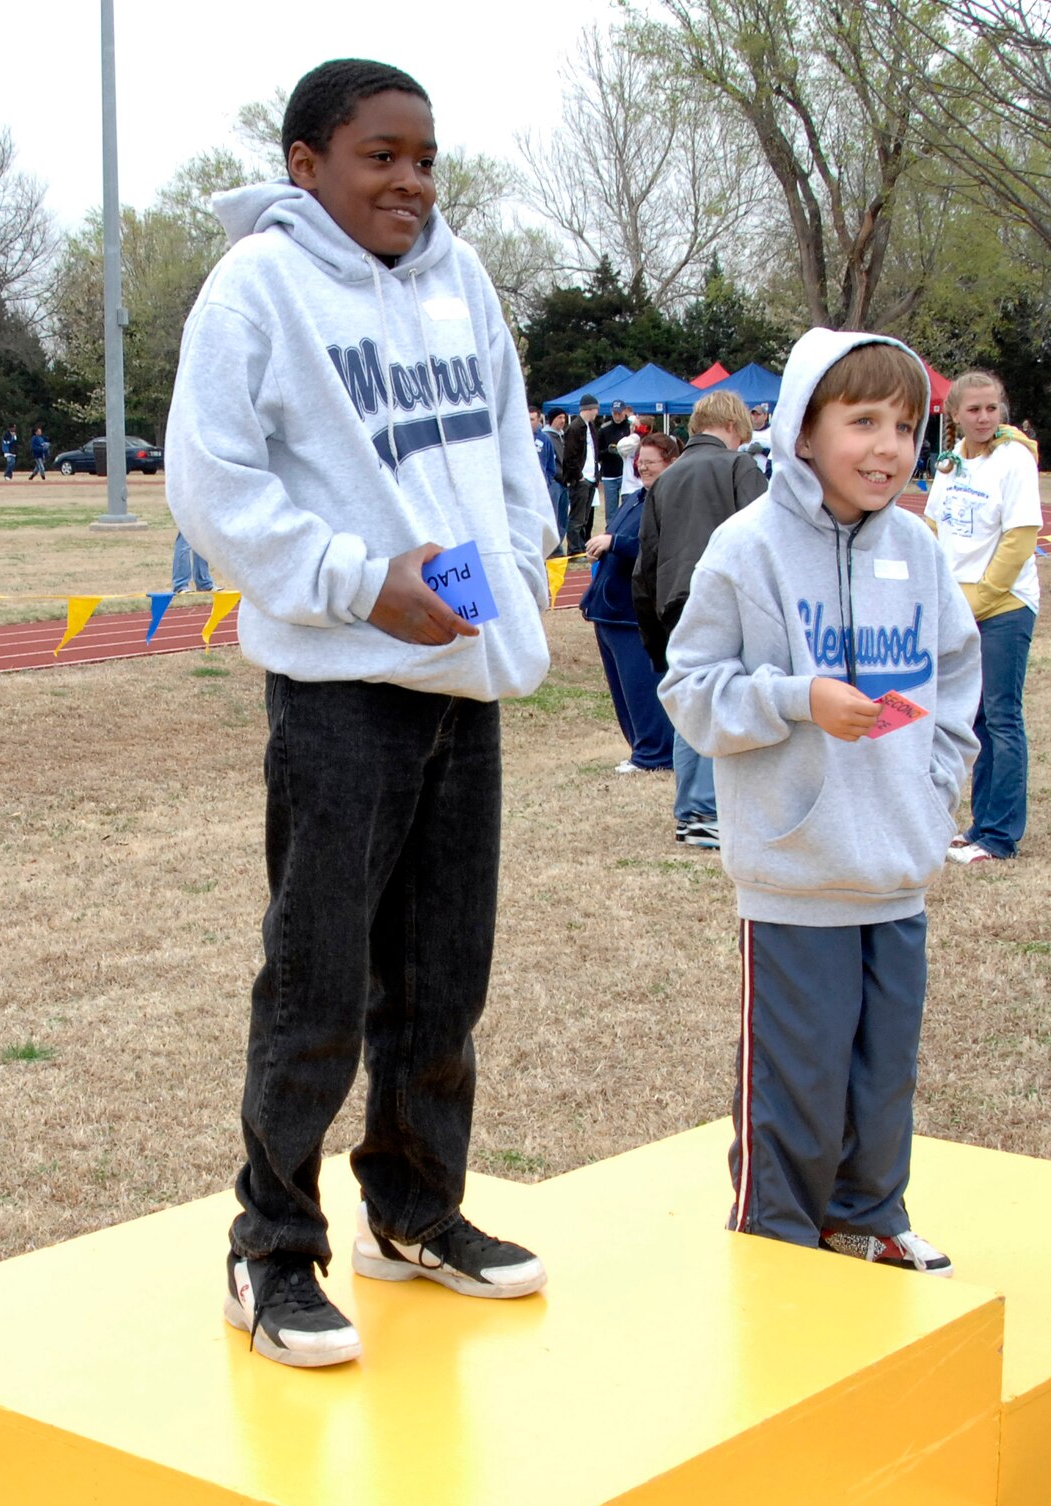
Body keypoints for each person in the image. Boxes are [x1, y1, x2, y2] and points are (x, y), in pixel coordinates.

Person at [167, 56, 558, 1370]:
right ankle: (269, 1252)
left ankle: (414, 1210)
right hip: (341, 688)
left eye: (423, 157)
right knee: (319, 979)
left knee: (443, 975)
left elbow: (508, 438)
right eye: (378, 154)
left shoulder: (463, 278)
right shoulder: (257, 289)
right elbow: (213, 486)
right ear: (304, 163)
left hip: (464, 679)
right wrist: (355, 584)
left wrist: (520, 555)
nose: (408, 180)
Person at [658, 329, 979, 1273]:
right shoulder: (745, 548)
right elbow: (689, 690)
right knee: (797, 1080)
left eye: (907, 425)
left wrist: (934, 787)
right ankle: (781, 1241)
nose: (888, 446)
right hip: (795, 876)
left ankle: (867, 1217)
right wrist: (796, 699)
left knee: (882, 1077)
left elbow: (955, 680)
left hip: (898, 867)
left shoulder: (915, 549)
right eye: (863, 421)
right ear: (802, 432)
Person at [633, 389, 766, 848]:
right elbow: (764, 533)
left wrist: (652, 632)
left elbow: (646, 561)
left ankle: (693, 810)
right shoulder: (739, 466)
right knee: (724, 697)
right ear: (735, 426)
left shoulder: (665, 481)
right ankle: (709, 809)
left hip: (672, 599)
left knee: (692, 701)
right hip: (726, 593)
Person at [925, 369, 1041, 865]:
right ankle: (978, 823)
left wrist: (982, 599)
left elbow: (1019, 538)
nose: (984, 418)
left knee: (1001, 716)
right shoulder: (952, 464)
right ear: (954, 414)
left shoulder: (1014, 460)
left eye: (992, 408)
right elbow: (933, 525)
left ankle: (999, 833)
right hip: (958, 606)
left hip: (1004, 607)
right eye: (973, 409)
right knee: (972, 720)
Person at [583, 430, 678, 774]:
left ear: (672, 463)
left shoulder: (670, 502)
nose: (644, 468)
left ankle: (654, 753)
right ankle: (640, 748)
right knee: (623, 691)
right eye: (641, 462)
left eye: (651, 462)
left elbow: (658, 551)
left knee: (641, 687)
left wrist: (616, 543)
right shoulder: (635, 499)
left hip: (633, 613)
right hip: (608, 610)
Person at [563, 393, 599, 554]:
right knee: (577, 518)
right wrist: (578, 476)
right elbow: (570, 455)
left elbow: (593, 452)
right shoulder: (576, 427)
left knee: (585, 518)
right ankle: (574, 550)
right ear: (589, 409)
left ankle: (582, 547)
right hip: (582, 478)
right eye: (595, 409)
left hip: (591, 477)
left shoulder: (590, 427)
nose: (597, 413)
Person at [530, 406, 564, 554]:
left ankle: (551, 551)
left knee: (550, 520)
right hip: (526, 489)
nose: (528, 422)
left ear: (539, 420)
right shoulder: (518, 438)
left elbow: (550, 465)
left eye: (532, 419)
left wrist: (547, 482)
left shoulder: (545, 439)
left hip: (543, 489)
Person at [595, 399, 632, 527]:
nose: (617, 416)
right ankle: (610, 533)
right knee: (611, 511)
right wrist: (608, 451)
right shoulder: (604, 429)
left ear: (624, 412)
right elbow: (597, 453)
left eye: (619, 413)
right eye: (614, 413)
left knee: (627, 507)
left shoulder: (630, 427)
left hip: (626, 474)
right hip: (609, 474)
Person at [546, 409, 571, 548]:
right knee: (553, 516)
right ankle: (553, 548)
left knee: (563, 518)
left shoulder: (563, 436)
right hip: (555, 482)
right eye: (559, 417)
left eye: (564, 417)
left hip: (564, 483)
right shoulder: (547, 437)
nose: (563, 420)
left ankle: (558, 546)